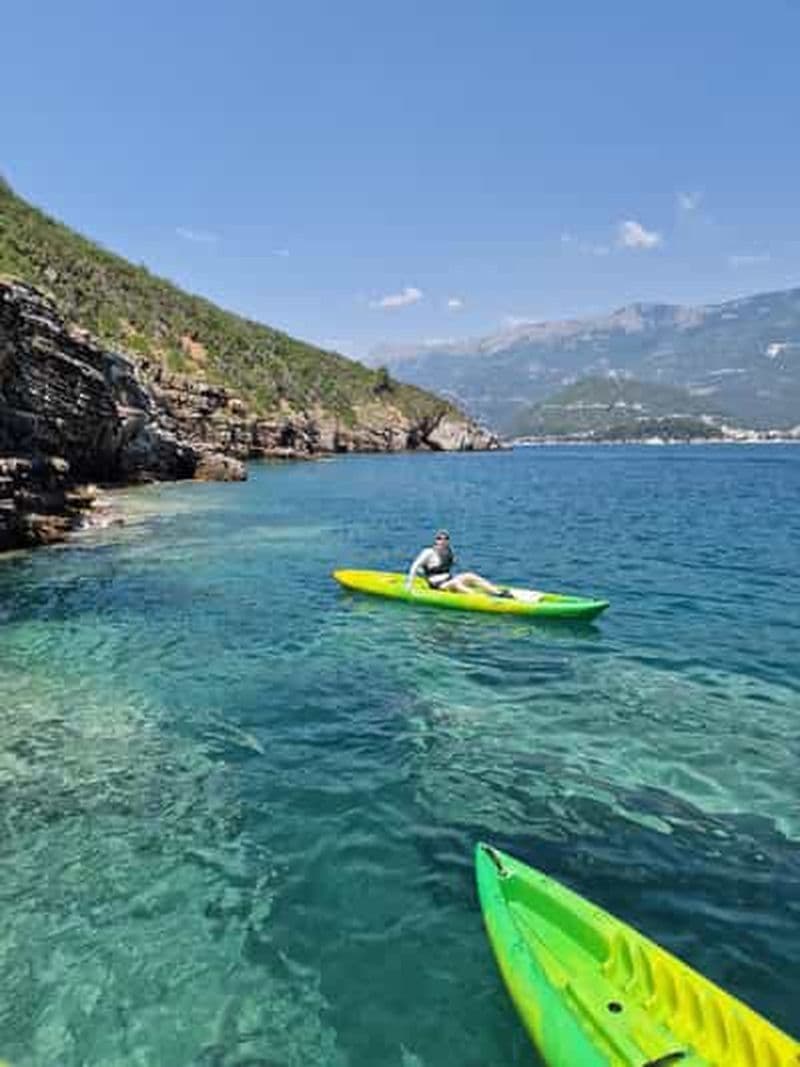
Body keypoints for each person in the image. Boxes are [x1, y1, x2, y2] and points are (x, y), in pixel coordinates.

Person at [405, 530, 512, 596]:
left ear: (448, 541)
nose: (442, 541)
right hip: (438, 585)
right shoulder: (428, 552)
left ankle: (497, 592)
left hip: (449, 579)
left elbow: (449, 565)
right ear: (435, 540)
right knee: (456, 584)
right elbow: (415, 566)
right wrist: (409, 584)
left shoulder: (448, 551)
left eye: (445, 539)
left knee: (470, 575)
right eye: (439, 539)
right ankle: (481, 599)